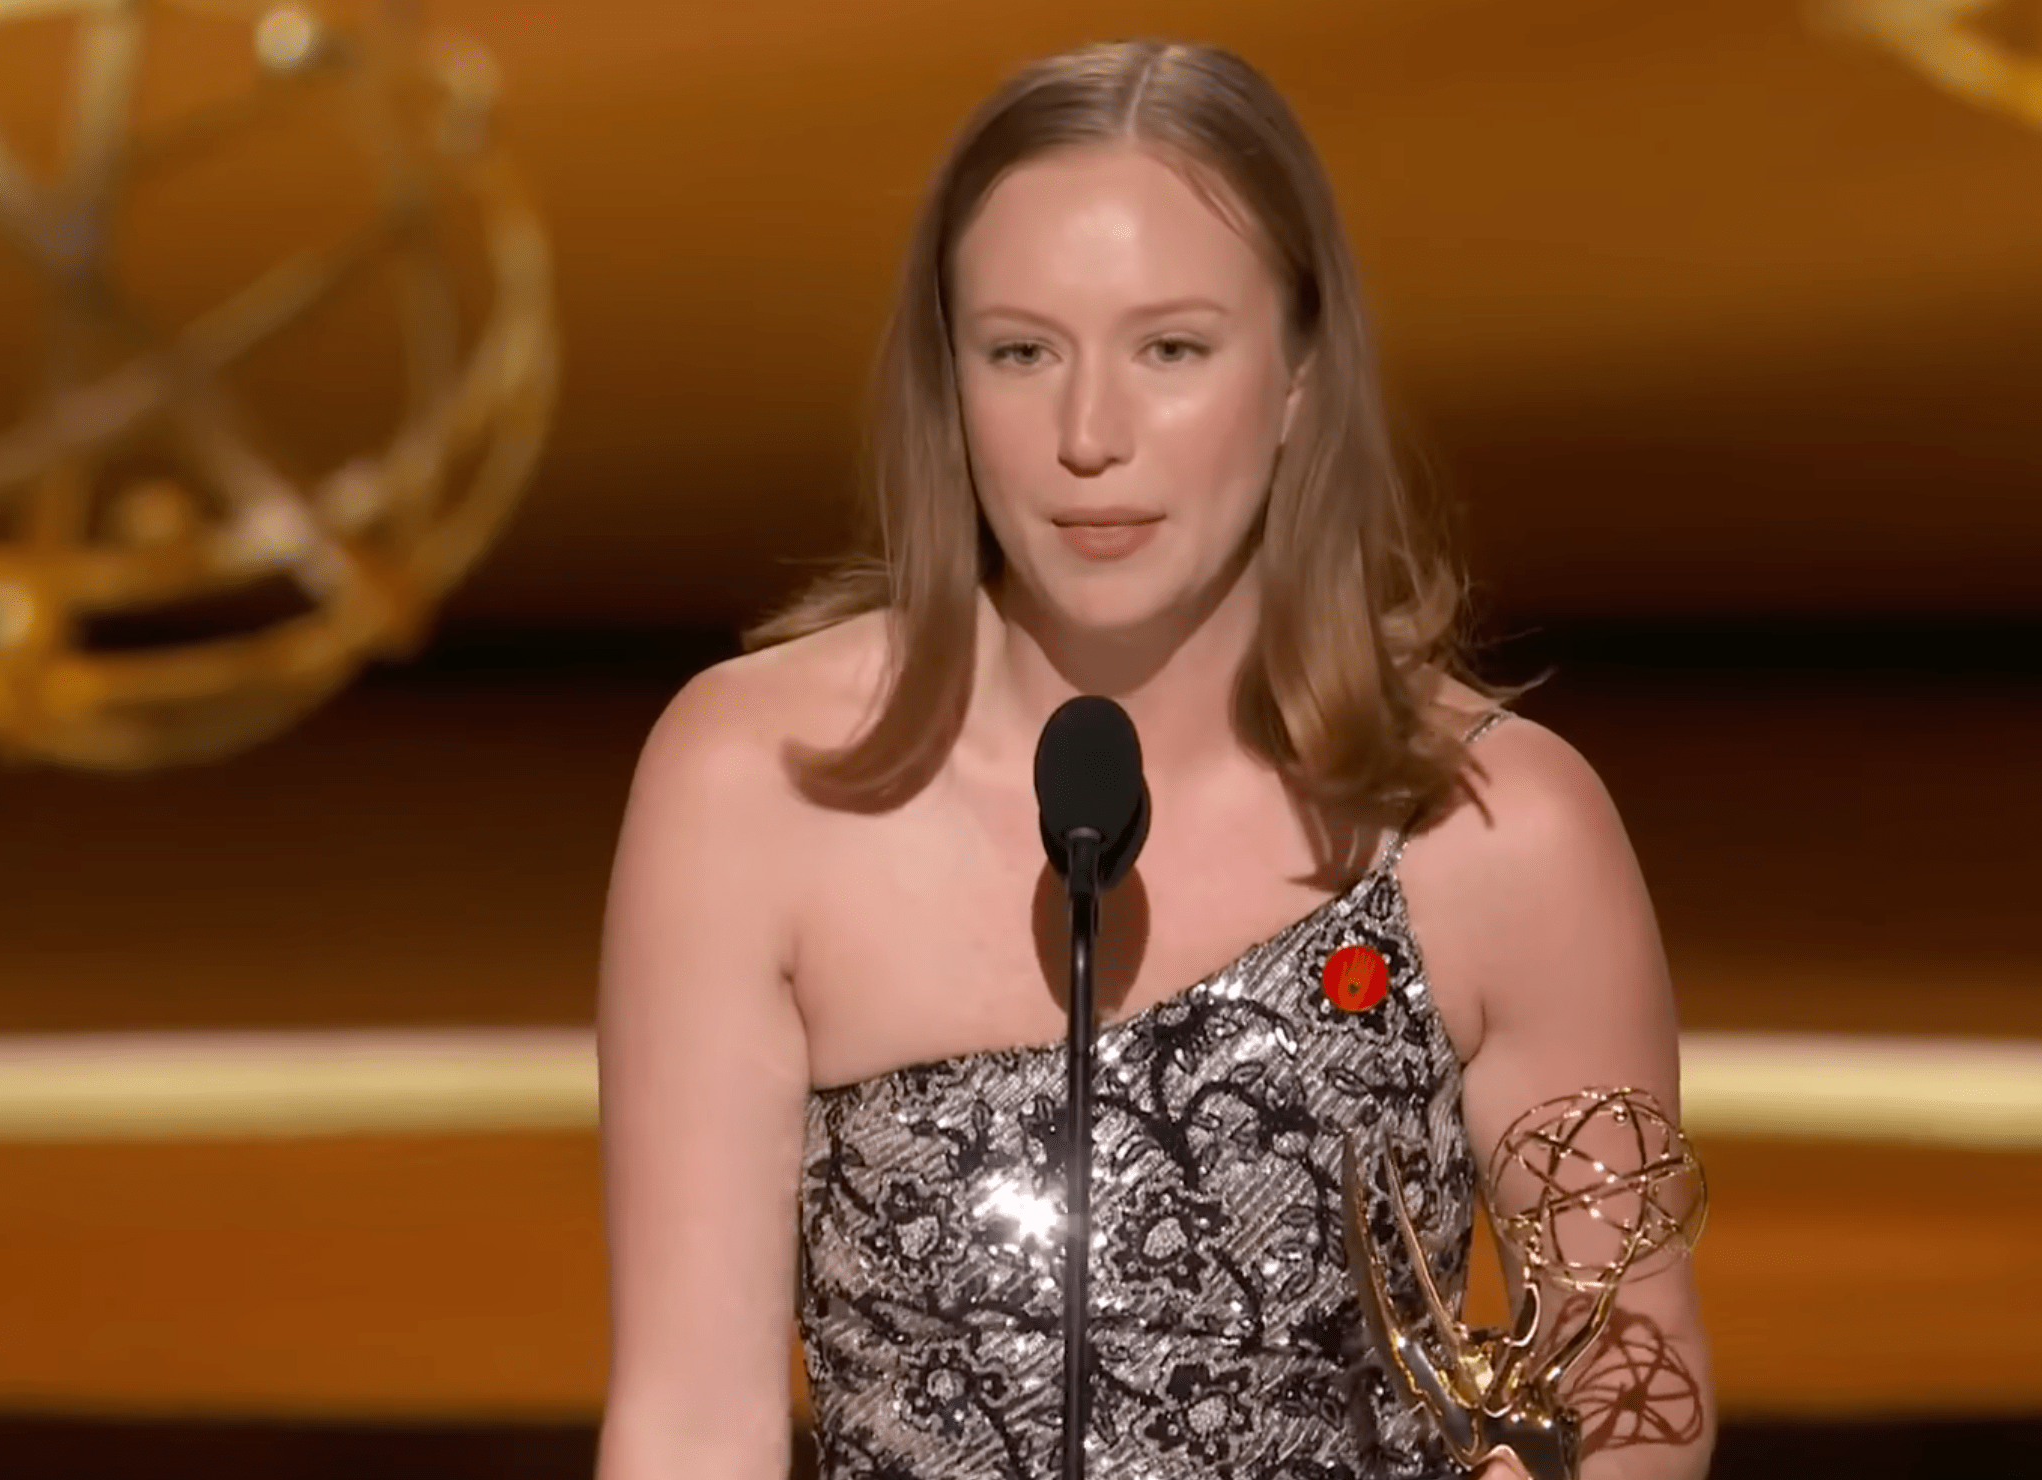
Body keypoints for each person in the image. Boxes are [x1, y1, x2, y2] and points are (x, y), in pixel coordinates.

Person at [594, 38, 1712, 1480]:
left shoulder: (1501, 833)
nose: (1087, 437)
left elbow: (1628, 1394)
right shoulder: (754, 785)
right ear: (949, 382)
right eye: (1021, 353)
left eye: (1171, 349)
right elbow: (692, 1423)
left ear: (1303, 372)